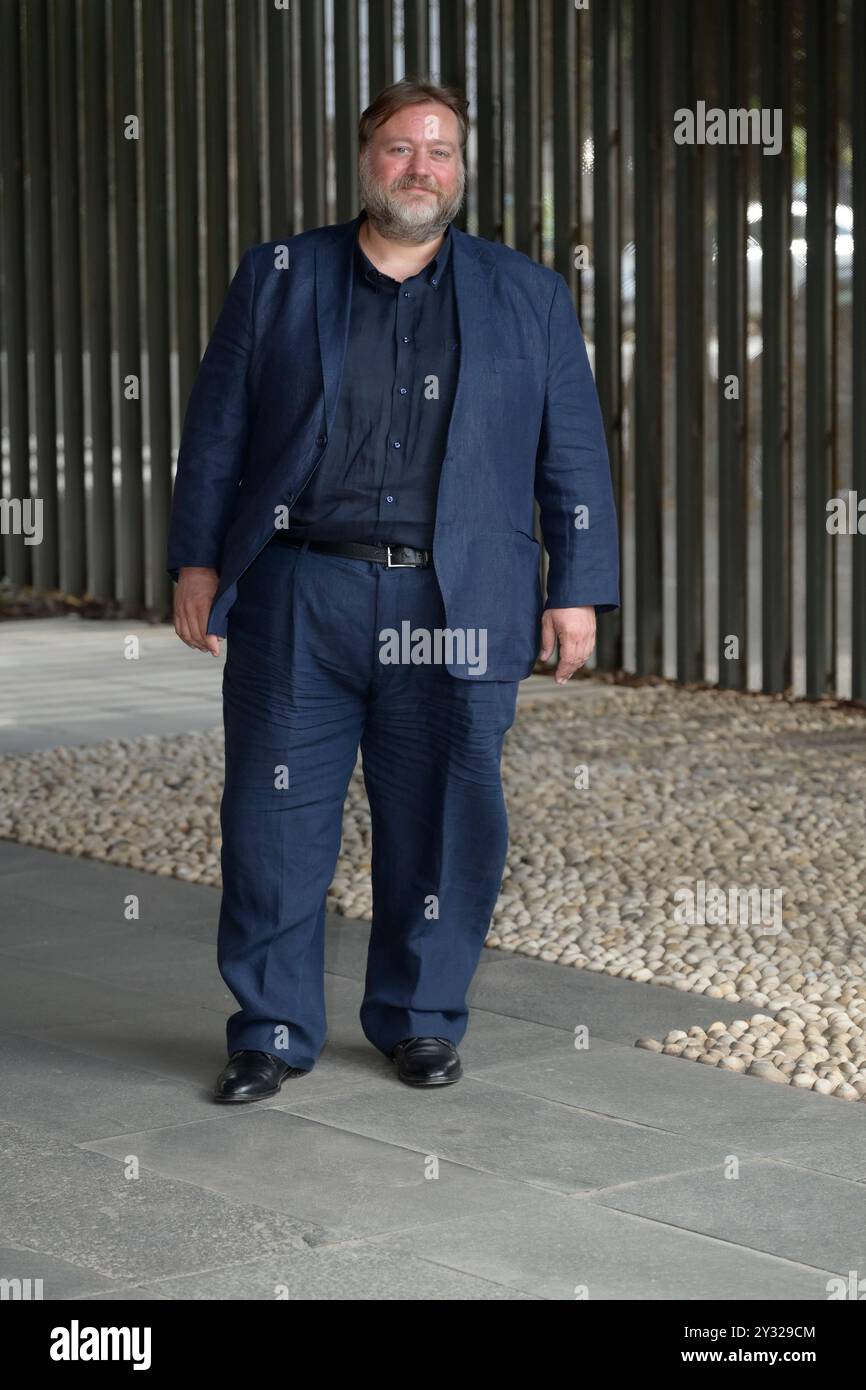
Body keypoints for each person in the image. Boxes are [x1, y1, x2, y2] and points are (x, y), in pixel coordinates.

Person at [167, 77, 620, 1101]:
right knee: (271, 821)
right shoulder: (278, 276)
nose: (421, 168)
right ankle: (270, 1028)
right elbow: (218, 430)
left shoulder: (527, 295)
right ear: (364, 157)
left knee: (445, 818)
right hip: (299, 592)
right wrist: (196, 560)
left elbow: (572, 456)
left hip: (455, 604)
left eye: (441, 152)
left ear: (460, 171)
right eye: (400, 148)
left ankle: (419, 1017)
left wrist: (576, 588)